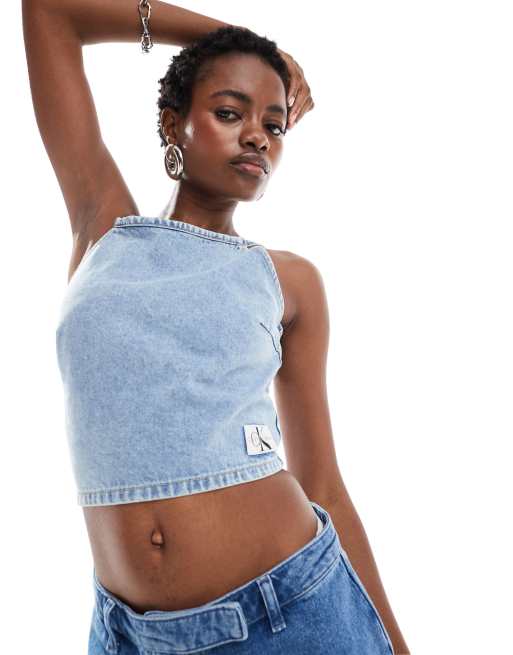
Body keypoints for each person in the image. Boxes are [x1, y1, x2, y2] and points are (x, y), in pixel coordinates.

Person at [22, 1, 410, 653]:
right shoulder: (104, 228)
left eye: (274, 124)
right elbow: (52, 12)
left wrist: (396, 644)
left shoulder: (287, 281)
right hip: (128, 633)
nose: (257, 136)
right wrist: (251, 44)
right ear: (172, 123)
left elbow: (321, 485)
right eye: (230, 112)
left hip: (291, 614)